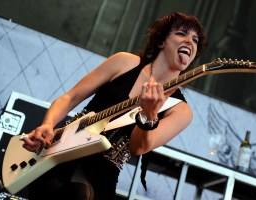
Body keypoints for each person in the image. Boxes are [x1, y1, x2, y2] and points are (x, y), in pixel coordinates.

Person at [22, 11, 207, 200]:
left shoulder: (181, 110)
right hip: (60, 156)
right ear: (161, 41)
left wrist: (148, 115)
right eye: (181, 33)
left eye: (195, 40)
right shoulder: (125, 62)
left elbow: (138, 147)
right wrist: (48, 123)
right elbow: (71, 97)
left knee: (80, 194)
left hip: (101, 178)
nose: (190, 42)